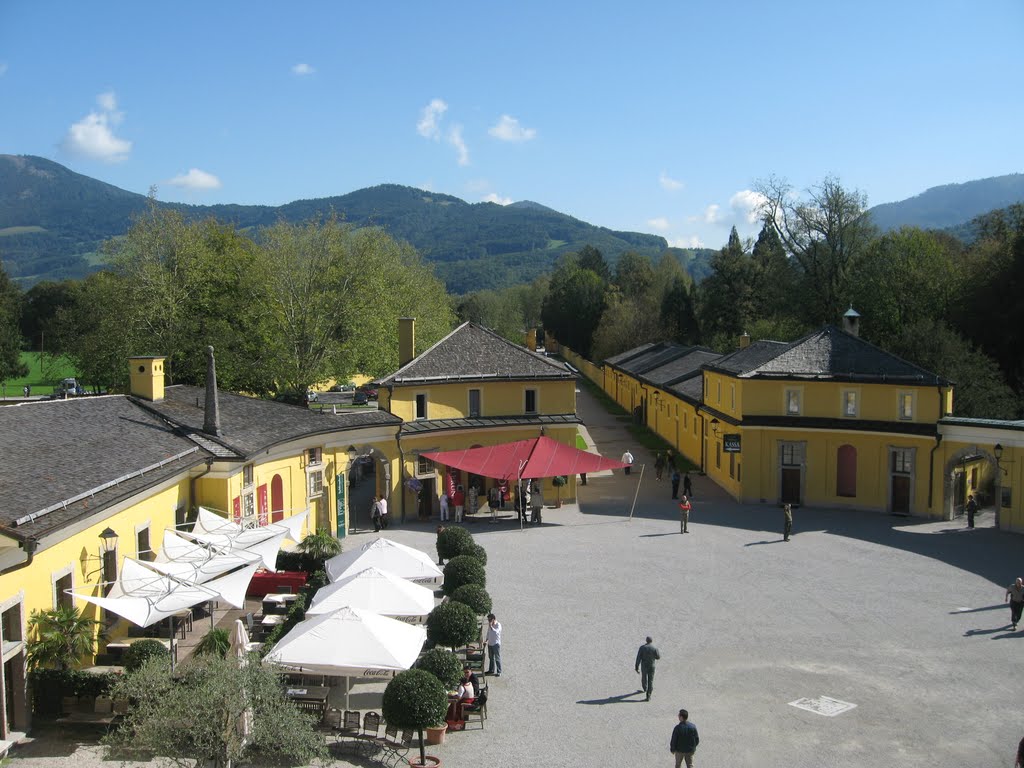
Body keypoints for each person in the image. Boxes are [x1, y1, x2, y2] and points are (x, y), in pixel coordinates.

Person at [635, 636, 660, 701]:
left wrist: (636, 667)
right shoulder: (654, 648)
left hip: (644, 665)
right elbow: (658, 657)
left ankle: (645, 688)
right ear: (651, 641)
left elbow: (638, 658)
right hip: (652, 665)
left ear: (646, 640)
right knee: (650, 681)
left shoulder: (642, 648)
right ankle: (648, 696)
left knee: (644, 677)